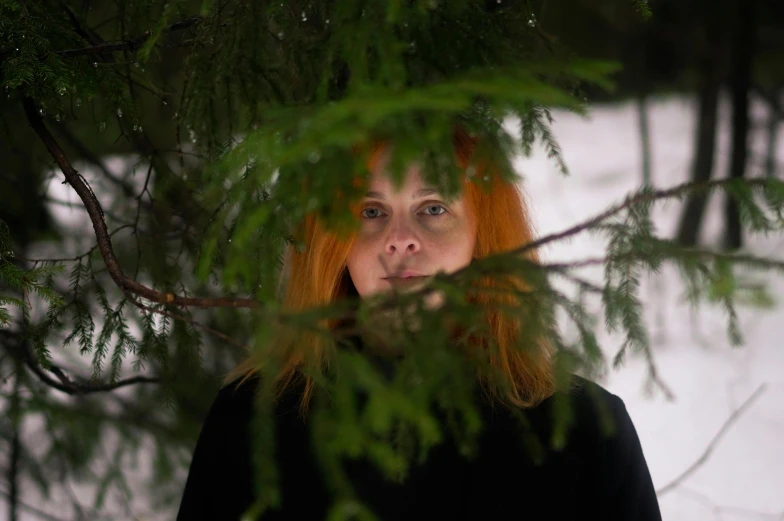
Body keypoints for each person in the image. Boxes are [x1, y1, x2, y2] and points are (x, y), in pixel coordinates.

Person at [176, 126, 662, 520]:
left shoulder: (586, 431)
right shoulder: (250, 419)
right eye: (371, 211)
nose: (400, 239)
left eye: (433, 208)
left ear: (484, 235)